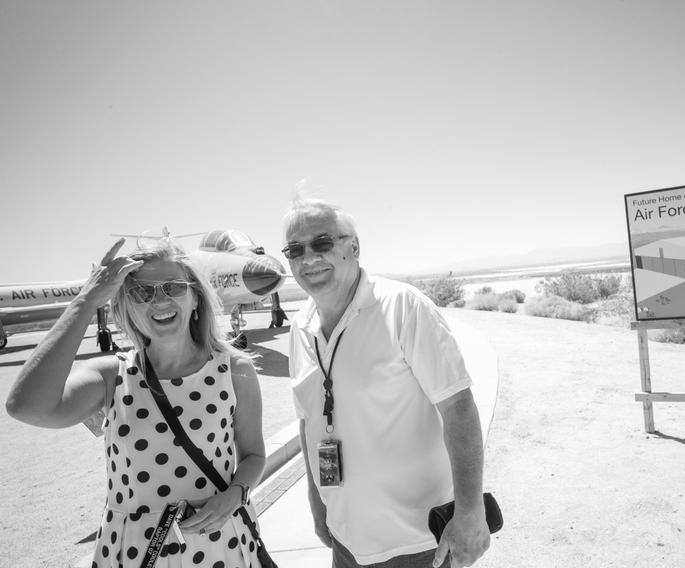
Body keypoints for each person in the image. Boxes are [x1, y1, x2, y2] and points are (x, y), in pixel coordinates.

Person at [6, 238, 267, 567]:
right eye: (143, 292)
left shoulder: (234, 369)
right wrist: (87, 301)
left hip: (220, 545)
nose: (159, 300)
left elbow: (254, 455)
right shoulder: (111, 376)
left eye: (173, 287)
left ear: (195, 298)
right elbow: (25, 406)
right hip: (135, 552)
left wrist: (236, 494)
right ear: (127, 306)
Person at [283, 196, 491, 568]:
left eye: (322, 243)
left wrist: (471, 511)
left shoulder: (404, 307)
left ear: (354, 246)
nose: (308, 258)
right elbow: (308, 423)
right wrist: (318, 506)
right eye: (295, 249)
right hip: (345, 543)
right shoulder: (300, 327)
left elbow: (458, 407)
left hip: (418, 544)